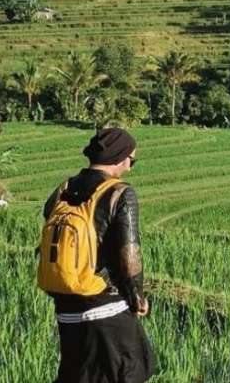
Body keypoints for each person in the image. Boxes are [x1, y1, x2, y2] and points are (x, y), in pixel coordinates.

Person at [41, 127, 154, 383]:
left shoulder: (64, 188)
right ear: (120, 158)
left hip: (66, 309)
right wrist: (137, 297)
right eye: (131, 161)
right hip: (105, 306)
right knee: (135, 367)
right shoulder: (119, 193)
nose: (129, 168)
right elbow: (130, 255)